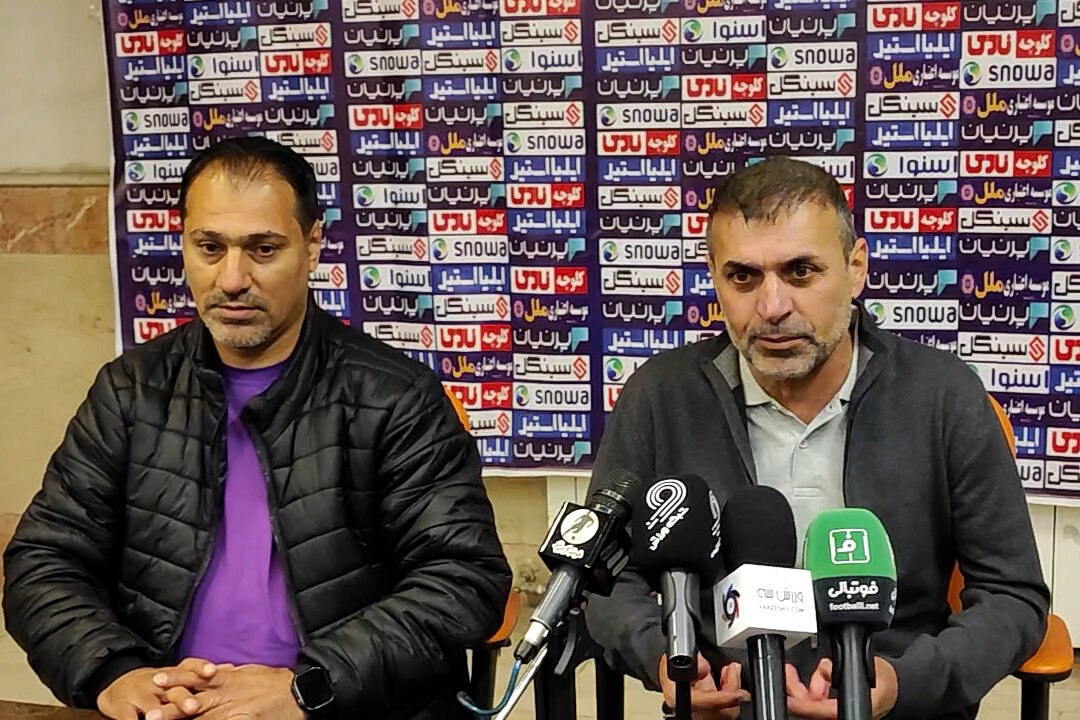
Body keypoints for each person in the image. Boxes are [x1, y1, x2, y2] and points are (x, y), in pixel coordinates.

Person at [3, 137, 512, 720]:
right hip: (168, 709)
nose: (232, 278)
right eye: (209, 248)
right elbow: (44, 560)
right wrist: (114, 673)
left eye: (263, 249)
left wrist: (308, 689)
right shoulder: (131, 390)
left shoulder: (395, 398)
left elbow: (462, 579)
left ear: (312, 246)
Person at [583, 157, 1049, 720]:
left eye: (801, 272)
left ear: (855, 269)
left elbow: (1012, 596)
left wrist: (905, 684)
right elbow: (605, 576)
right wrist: (664, 658)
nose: (772, 307)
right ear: (715, 278)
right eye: (743, 277)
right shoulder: (660, 396)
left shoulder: (943, 394)